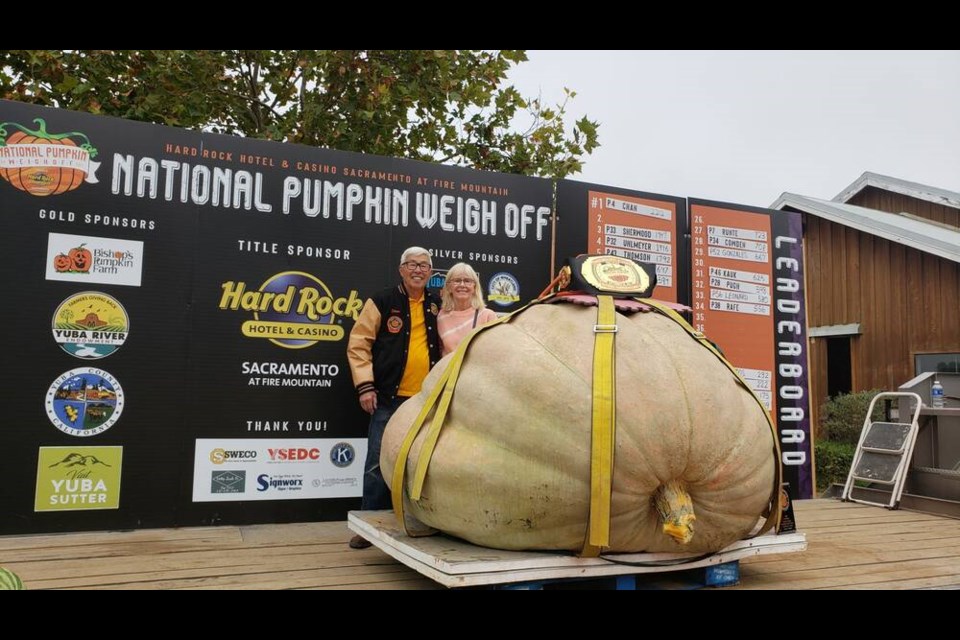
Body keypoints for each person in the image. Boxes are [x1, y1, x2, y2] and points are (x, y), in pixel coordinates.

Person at [345, 247, 442, 549]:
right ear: (401, 269)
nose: (418, 270)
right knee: (376, 465)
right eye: (412, 265)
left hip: (424, 402)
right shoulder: (382, 301)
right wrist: (365, 385)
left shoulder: (437, 305)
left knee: (422, 465)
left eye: (424, 266)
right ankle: (368, 528)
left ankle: (422, 524)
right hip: (387, 398)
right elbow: (358, 344)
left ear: (430, 273)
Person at [437, 262, 499, 356]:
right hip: (449, 370)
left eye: (467, 281)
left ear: (474, 287)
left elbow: (495, 352)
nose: (462, 285)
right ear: (449, 287)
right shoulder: (441, 316)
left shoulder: (488, 317)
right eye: (457, 280)